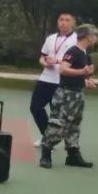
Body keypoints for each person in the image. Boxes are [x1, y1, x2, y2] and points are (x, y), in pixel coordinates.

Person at [40, 24, 98, 169]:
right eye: (94, 36)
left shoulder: (86, 53)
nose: (96, 39)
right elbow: (63, 69)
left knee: (75, 124)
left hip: (77, 93)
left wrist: (87, 79)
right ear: (88, 36)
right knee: (58, 122)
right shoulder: (73, 51)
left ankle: (73, 154)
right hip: (65, 94)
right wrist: (82, 72)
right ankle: (46, 153)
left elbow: (83, 72)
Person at [30, 12, 77, 145]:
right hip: (45, 79)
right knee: (35, 108)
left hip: (62, 81)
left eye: (67, 20)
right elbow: (42, 56)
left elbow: (76, 62)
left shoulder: (76, 40)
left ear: (73, 23)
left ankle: (54, 139)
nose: (63, 23)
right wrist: (45, 63)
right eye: (61, 19)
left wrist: (56, 61)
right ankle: (47, 136)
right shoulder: (50, 38)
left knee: (57, 114)